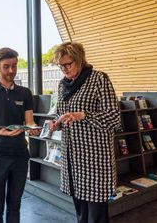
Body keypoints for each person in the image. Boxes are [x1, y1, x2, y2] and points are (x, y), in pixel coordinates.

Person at [49, 42, 120, 223]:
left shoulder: (99, 79)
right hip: (72, 158)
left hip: (94, 159)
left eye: (68, 64)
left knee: (97, 215)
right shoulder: (63, 85)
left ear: (80, 60)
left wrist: (83, 115)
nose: (64, 69)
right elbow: (61, 113)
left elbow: (114, 117)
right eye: (61, 65)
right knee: (80, 213)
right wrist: (56, 123)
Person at [0, 47, 40, 223]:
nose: (11, 71)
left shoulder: (25, 93)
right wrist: (0, 132)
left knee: (15, 204)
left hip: (19, 155)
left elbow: (29, 121)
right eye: (6, 66)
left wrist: (33, 128)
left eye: (14, 66)